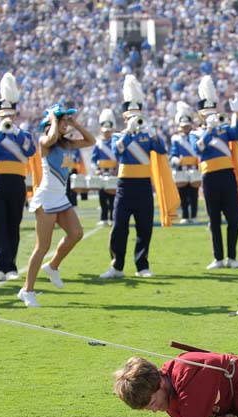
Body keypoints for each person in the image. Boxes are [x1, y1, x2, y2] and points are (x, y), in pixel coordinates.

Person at [17, 104, 94, 307]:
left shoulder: (67, 145)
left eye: (65, 121)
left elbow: (90, 141)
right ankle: (27, 290)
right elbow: (50, 138)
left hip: (60, 198)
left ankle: (52, 266)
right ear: (50, 124)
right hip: (46, 200)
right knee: (42, 247)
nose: (65, 125)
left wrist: (75, 123)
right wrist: (52, 118)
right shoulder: (45, 142)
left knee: (76, 233)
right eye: (63, 122)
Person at [99, 75, 168, 280]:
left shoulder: (147, 135)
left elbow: (161, 150)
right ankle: (116, 266)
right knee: (119, 226)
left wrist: (154, 133)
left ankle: (142, 264)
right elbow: (117, 152)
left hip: (143, 185)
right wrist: (129, 132)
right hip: (125, 184)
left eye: (137, 116)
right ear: (125, 117)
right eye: (130, 116)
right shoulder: (120, 136)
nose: (135, 120)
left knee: (144, 226)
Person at [0, 72, 37, 282]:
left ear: (16, 115)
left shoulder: (22, 133)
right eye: (3, 115)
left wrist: (16, 132)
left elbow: (31, 150)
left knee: (14, 223)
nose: (7, 119)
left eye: (10, 115)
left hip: (16, 181)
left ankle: (11, 265)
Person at [191, 75, 238, 270]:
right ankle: (218, 258)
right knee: (214, 219)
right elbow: (198, 149)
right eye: (206, 114)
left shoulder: (224, 129)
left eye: (212, 113)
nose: (211, 116)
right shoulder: (196, 133)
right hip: (209, 178)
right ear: (200, 116)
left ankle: (232, 256)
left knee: (233, 217)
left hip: (227, 176)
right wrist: (208, 129)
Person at [169, 102, 200, 224]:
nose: (185, 128)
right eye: (183, 126)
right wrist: (177, 160)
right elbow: (173, 154)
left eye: (187, 126)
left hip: (194, 168)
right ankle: (185, 215)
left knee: (194, 195)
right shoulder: (176, 139)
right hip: (182, 169)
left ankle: (194, 215)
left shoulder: (195, 136)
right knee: (183, 195)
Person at [90, 108, 118, 226]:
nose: (107, 133)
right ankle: (104, 218)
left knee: (113, 197)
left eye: (108, 131)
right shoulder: (98, 143)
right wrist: (95, 169)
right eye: (105, 131)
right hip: (101, 173)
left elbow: (119, 158)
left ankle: (112, 217)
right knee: (102, 197)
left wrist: (117, 169)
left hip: (113, 172)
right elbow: (93, 159)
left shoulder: (116, 142)